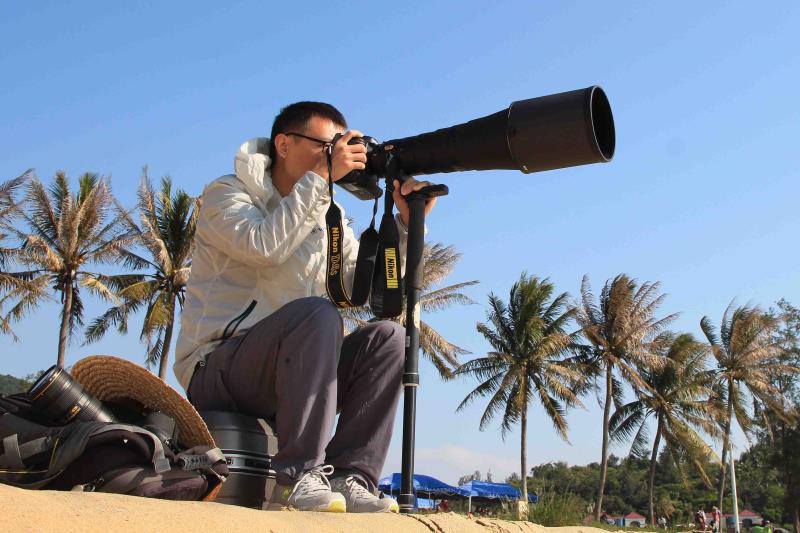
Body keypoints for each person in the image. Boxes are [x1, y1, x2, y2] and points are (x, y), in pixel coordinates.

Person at [174, 102, 438, 513]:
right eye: (329, 146)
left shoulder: (327, 212)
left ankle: (350, 475)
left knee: (389, 338)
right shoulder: (227, 193)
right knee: (317, 314)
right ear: (284, 144)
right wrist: (319, 179)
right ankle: (297, 476)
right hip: (218, 368)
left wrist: (404, 227)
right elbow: (263, 245)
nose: (339, 155)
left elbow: (359, 287)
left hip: (294, 369)